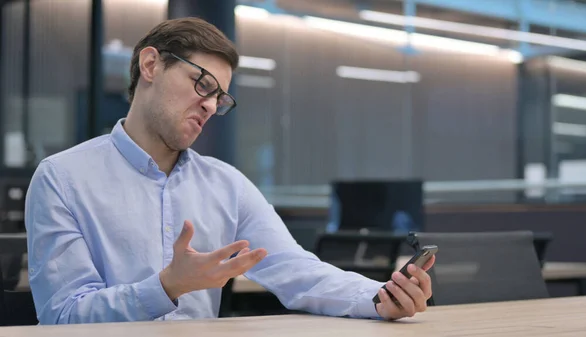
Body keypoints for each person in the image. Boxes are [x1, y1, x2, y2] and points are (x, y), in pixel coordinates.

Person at [24, 17, 435, 325]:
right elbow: (62, 317)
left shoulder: (226, 184)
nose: (209, 105)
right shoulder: (62, 179)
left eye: (219, 97)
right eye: (201, 83)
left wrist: (381, 296)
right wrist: (165, 287)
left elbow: (298, 271)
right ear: (150, 65)